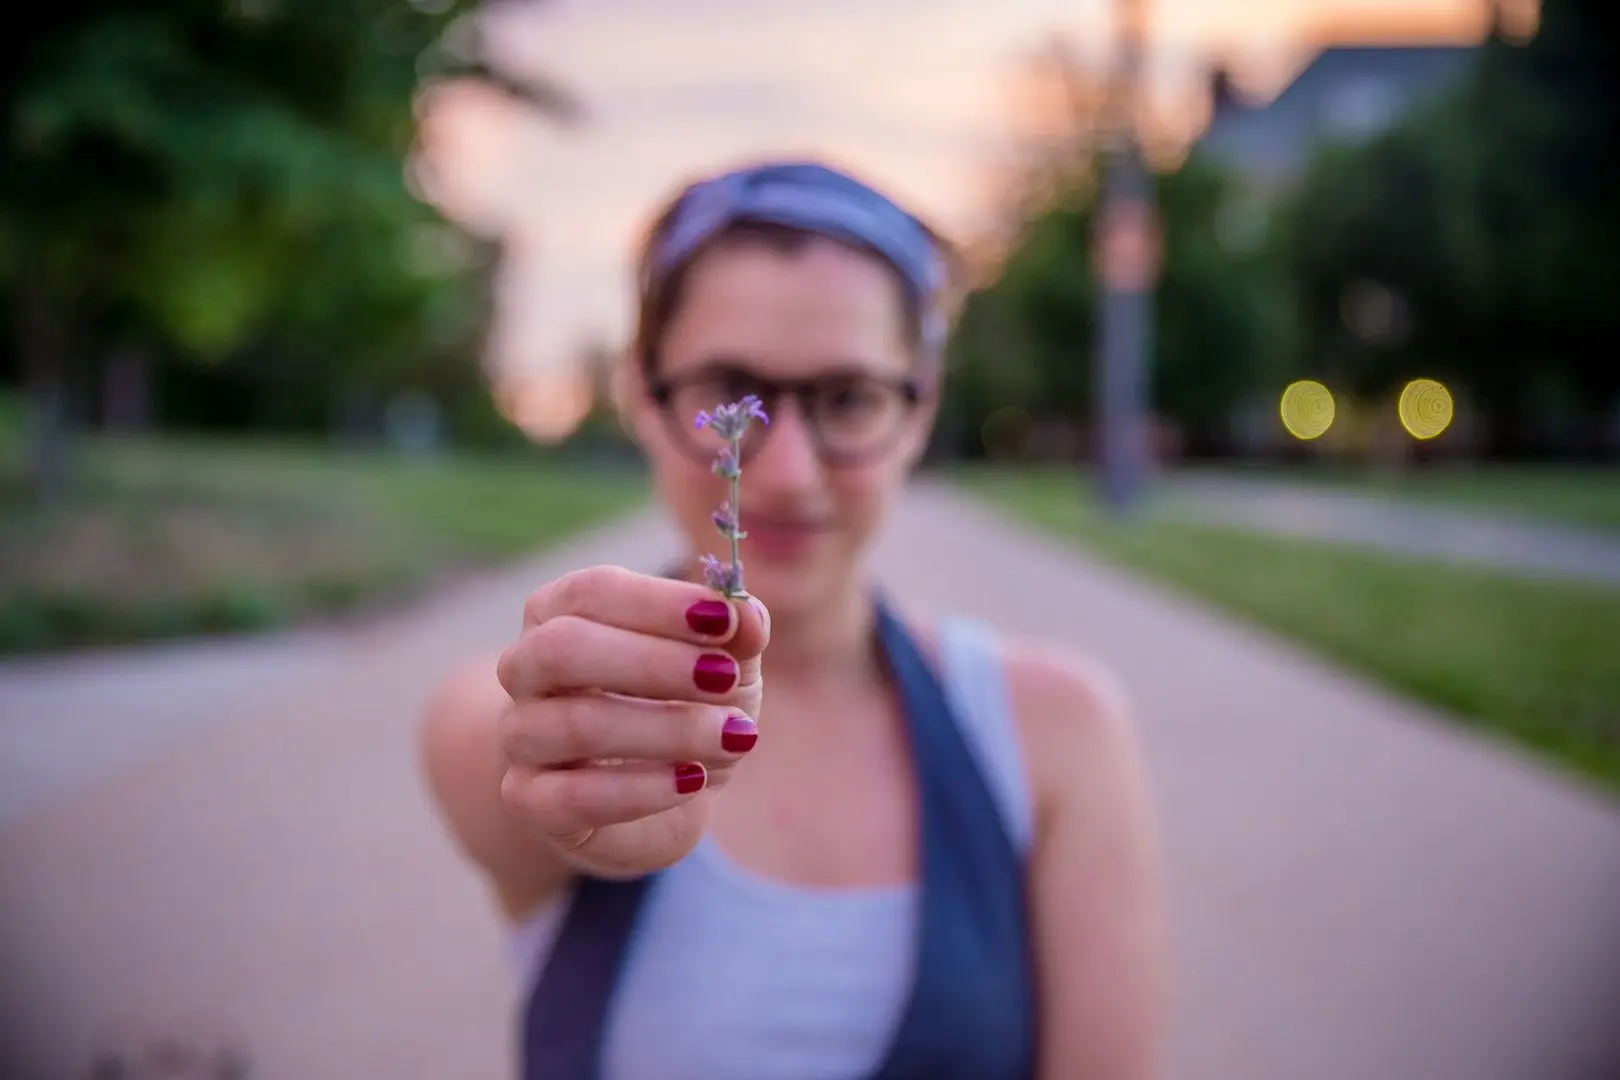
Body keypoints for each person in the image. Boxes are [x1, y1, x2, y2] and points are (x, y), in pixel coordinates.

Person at [420, 160, 1166, 1080]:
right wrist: (559, 770)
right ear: (643, 396)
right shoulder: (545, 696)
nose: (783, 475)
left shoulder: (1056, 731)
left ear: (921, 408)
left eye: (848, 399)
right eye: (733, 392)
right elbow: (488, 748)